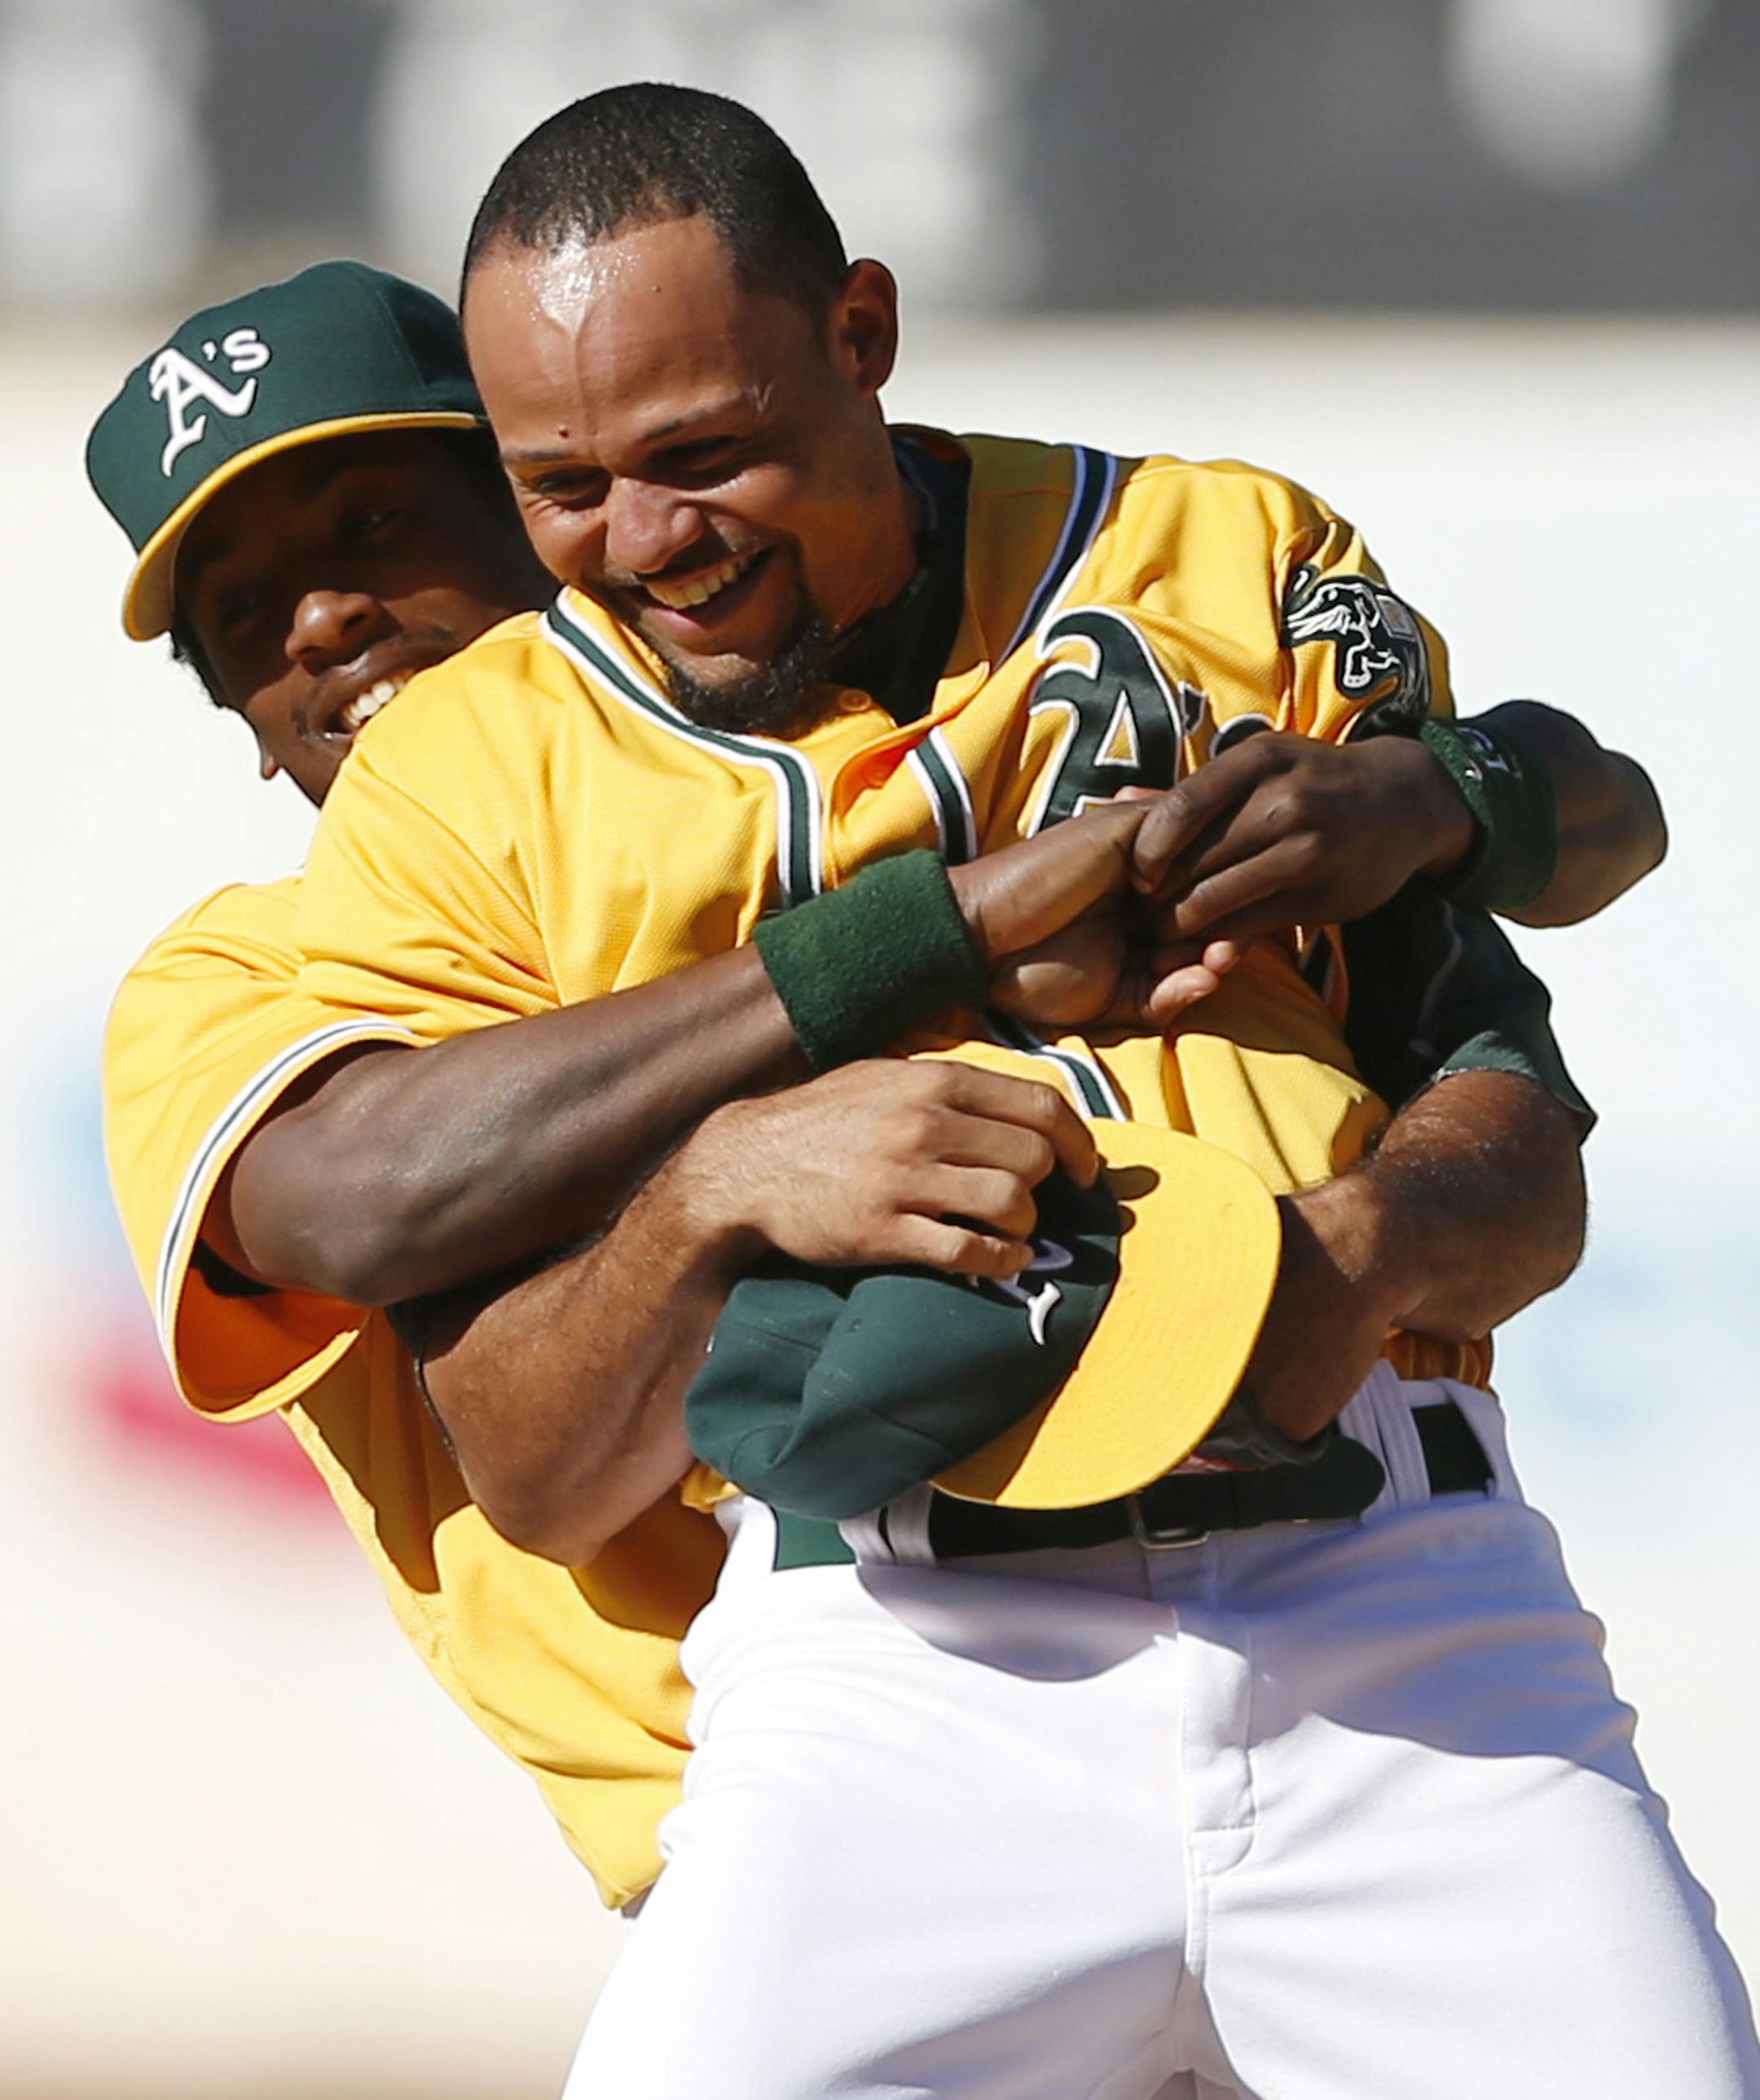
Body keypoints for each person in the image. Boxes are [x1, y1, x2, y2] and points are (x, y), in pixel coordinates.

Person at [250, 82, 1751, 2098]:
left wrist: (1361, 1247)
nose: (644, 545)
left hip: (1395, 1606)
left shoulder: (1217, 553)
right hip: (887, 1667)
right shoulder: (469, 782)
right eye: (561, 488)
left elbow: (1517, 1111)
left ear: (859, 333)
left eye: (704, 455)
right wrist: (713, 1185)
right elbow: (519, 1455)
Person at [92, 258, 1635, 1910]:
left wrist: (1446, 792)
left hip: (1285, 1656)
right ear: (246, 721)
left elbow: (1517, 933)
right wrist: (943, 932)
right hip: (789, 1803)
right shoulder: (233, 984)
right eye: (244, 618)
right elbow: (374, 1188)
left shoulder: (868, 745)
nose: (320, 620)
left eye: (377, 527)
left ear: (554, 502)